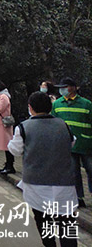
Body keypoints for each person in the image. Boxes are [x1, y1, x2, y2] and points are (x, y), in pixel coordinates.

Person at [9, 91, 78, 247]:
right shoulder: (63, 124)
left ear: (30, 107)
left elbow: (15, 150)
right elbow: (72, 142)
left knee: (44, 221)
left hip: (36, 185)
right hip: (63, 183)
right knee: (66, 223)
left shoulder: (23, 127)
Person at [52, 77, 92, 208]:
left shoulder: (86, 104)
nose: (62, 90)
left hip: (86, 144)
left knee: (90, 169)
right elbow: (54, 124)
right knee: (74, 172)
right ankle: (78, 197)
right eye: (61, 87)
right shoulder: (57, 104)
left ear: (74, 88)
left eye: (65, 87)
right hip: (68, 145)